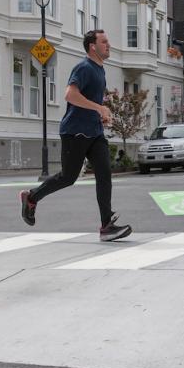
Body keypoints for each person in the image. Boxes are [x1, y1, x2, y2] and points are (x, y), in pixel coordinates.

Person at [19, 29, 132, 242]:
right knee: (68, 177)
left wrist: (101, 114)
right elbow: (70, 95)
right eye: (104, 42)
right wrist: (99, 108)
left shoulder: (100, 70)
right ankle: (31, 197)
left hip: (94, 132)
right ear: (92, 46)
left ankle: (106, 225)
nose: (109, 45)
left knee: (104, 174)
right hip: (75, 132)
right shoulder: (84, 67)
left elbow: (88, 101)